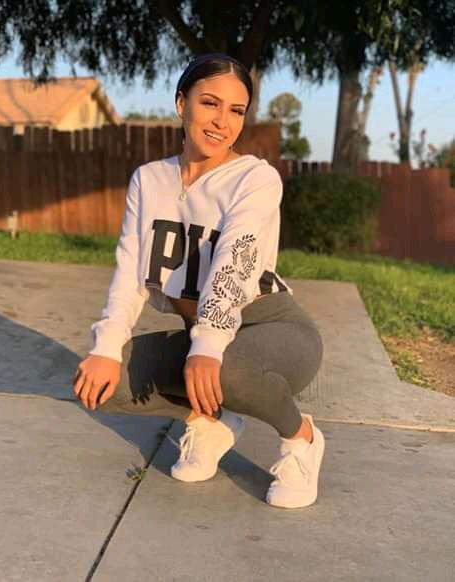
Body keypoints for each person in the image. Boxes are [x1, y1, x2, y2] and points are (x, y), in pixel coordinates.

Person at [72, 53, 325, 509]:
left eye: (236, 110)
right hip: (201, 335)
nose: (222, 122)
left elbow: (234, 261)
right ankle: (212, 418)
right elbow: (130, 270)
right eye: (210, 103)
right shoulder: (149, 180)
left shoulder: (255, 178)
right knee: (107, 383)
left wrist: (206, 346)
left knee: (226, 368)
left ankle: (301, 438)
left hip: (274, 329)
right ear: (180, 103)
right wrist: (106, 347)